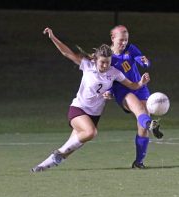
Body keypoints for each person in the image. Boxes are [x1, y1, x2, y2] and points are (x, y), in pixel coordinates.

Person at [31, 27, 152, 172]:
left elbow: (132, 85)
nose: (105, 65)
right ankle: (58, 154)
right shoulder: (87, 65)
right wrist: (52, 37)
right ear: (95, 60)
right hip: (79, 109)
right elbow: (66, 52)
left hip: (94, 115)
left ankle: (43, 165)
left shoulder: (114, 72)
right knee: (91, 133)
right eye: (102, 63)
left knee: (72, 145)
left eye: (108, 62)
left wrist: (141, 83)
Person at [108, 25, 163, 169]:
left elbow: (142, 60)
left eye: (126, 40)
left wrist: (145, 61)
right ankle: (151, 124)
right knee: (140, 111)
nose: (124, 43)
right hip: (122, 90)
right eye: (121, 40)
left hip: (140, 87)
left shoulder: (130, 49)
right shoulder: (108, 56)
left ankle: (138, 162)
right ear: (113, 38)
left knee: (142, 126)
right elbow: (104, 77)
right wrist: (109, 91)